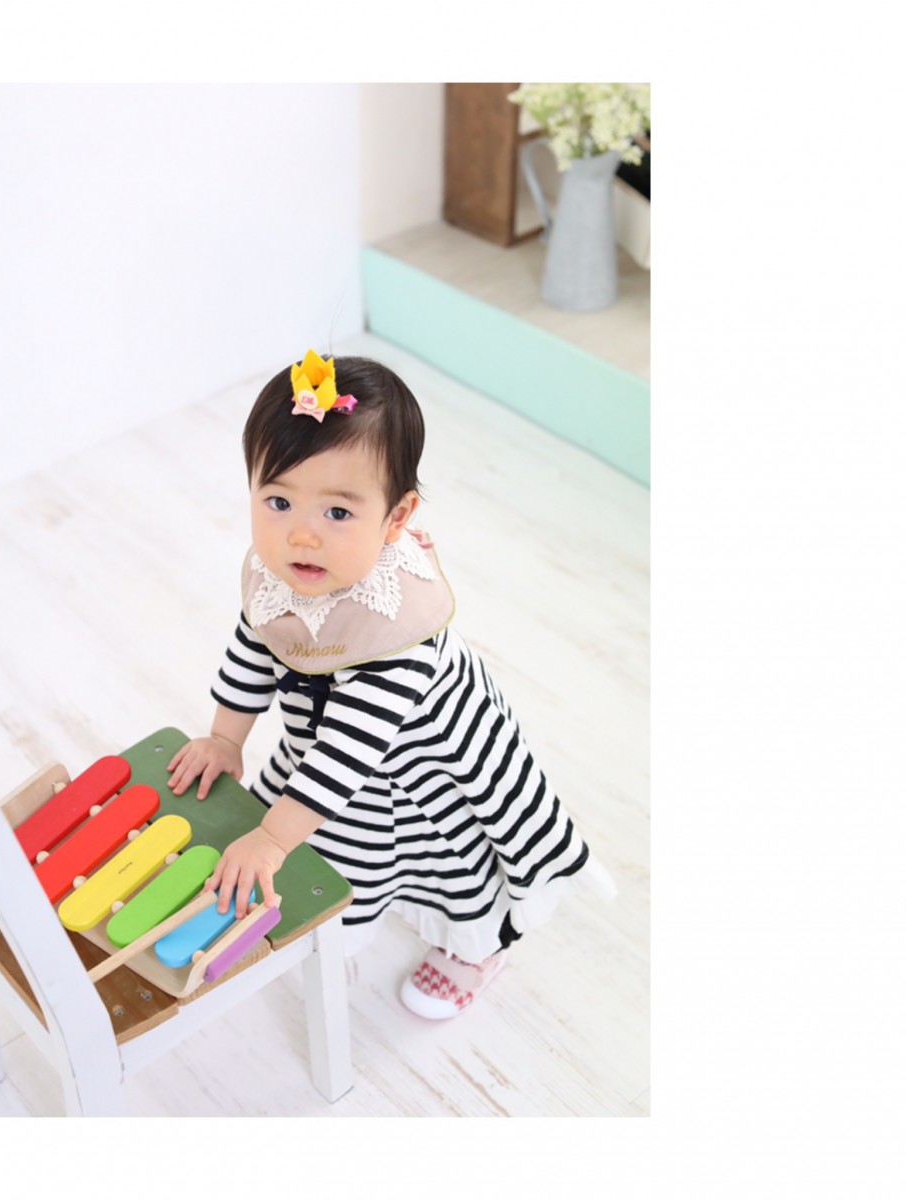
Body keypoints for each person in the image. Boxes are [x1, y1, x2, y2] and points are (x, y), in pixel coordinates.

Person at [167, 349, 614, 1018]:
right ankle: (345, 883)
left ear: (397, 517)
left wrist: (272, 839)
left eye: (338, 513)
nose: (302, 535)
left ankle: (478, 947)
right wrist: (226, 739)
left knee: (439, 855)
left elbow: (346, 757)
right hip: (326, 739)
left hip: (418, 766)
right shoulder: (277, 572)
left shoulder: (393, 631)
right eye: (278, 501)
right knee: (328, 829)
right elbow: (255, 644)